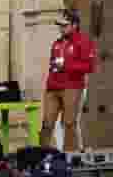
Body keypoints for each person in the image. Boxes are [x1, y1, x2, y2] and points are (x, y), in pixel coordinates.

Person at [38, 9, 97, 153]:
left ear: (74, 25)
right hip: (53, 88)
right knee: (47, 123)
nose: (61, 28)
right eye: (60, 25)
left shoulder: (83, 41)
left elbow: (89, 66)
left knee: (69, 122)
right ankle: (43, 154)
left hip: (72, 87)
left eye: (64, 25)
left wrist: (66, 65)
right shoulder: (57, 43)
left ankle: (70, 154)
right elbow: (53, 66)